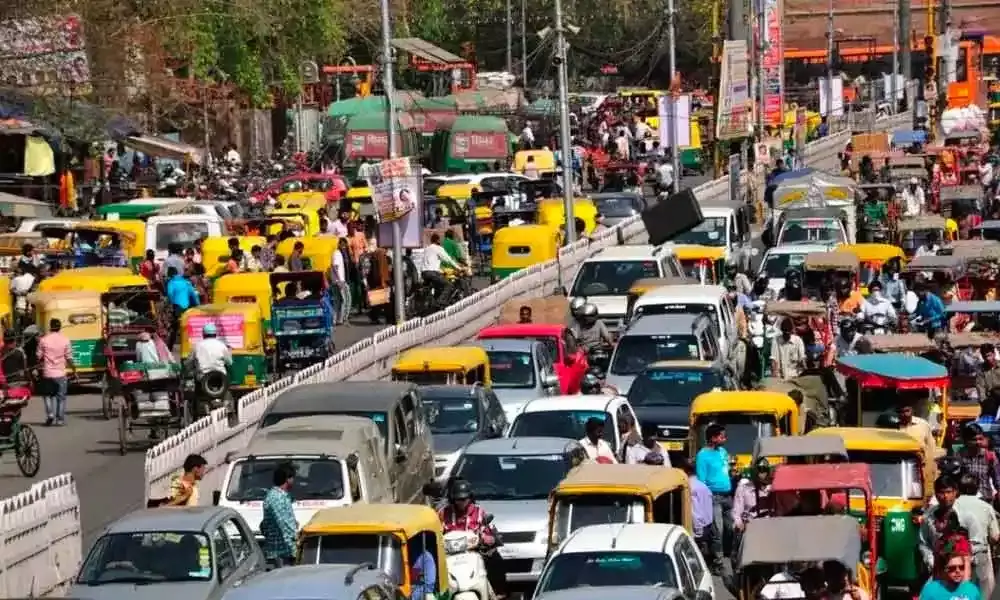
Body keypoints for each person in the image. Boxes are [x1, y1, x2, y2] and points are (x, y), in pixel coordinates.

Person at [437, 479, 505, 599]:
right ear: (453, 499)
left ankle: (498, 591)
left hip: (474, 553)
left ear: (470, 497)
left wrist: (489, 538)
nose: (461, 502)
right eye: (458, 499)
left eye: (464, 499)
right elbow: (435, 530)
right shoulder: (443, 514)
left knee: (496, 560)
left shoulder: (479, 512)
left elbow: (490, 531)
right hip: (448, 556)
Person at [954, 472, 999, 598]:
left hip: (955, 555)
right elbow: (995, 537)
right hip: (981, 555)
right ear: (977, 488)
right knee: (985, 593)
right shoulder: (986, 507)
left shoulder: (952, 505)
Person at [695, 423, 731, 573]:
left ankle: (730, 555)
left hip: (728, 496)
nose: (725, 438)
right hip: (713, 497)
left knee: (732, 526)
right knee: (718, 531)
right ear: (713, 438)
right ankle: (717, 562)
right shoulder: (703, 456)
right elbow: (701, 481)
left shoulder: (723, 451)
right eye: (722, 436)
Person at [920, 475, 969, 570]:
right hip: (937, 568)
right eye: (941, 492)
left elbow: (977, 542)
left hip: (962, 569)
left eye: (948, 492)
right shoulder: (928, 515)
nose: (945, 496)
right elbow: (923, 542)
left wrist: (964, 560)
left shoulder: (966, 514)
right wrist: (932, 561)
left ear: (955, 492)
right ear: (936, 494)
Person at [259, 462, 298, 568]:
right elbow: (283, 522)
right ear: (287, 479)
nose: (294, 481)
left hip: (285, 549)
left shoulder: (282, 496)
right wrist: (297, 537)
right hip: (281, 551)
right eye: (293, 477)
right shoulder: (276, 498)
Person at [37, 318, 74, 426]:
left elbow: (38, 356)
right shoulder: (65, 340)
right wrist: (74, 369)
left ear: (50, 326)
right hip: (60, 374)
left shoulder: (43, 340)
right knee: (61, 397)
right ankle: (60, 419)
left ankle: (50, 415)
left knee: (47, 395)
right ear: (60, 327)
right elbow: (69, 357)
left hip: (47, 373)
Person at [955, 423, 1000, 502]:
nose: (978, 442)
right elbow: (954, 479)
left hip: (985, 499)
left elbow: (998, 480)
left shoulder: (989, 456)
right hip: (965, 500)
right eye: (974, 439)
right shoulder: (959, 456)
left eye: (980, 439)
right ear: (966, 441)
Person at [679, 457, 713, 555]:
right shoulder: (703, 486)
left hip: (697, 529)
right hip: (706, 526)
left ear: (685, 470)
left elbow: (694, 512)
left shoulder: (688, 487)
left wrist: (697, 532)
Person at [732, 458, 773, 533]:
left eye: (764, 469)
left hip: (769, 529)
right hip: (750, 529)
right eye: (759, 469)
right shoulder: (743, 488)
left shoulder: (772, 490)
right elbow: (737, 512)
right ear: (754, 471)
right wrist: (739, 524)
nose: (762, 473)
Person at [421, 233, 461, 308]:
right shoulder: (438, 248)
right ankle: (440, 302)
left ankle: (432, 302)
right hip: (432, 273)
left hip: (424, 273)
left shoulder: (427, 248)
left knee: (437, 285)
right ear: (438, 240)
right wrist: (459, 268)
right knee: (448, 285)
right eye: (439, 240)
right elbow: (448, 259)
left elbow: (430, 261)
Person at [165, 266, 199, 348]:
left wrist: (170, 301)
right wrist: (197, 305)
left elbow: (169, 293)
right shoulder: (186, 282)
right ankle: (191, 345)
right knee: (187, 326)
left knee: (175, 328)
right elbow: (193, 295)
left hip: (177, 307)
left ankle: (169, 348)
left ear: (170, 275)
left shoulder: (171, 282)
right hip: (187, 308)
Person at [898, 396, 938, 464]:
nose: (905, 414)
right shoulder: (895, 427)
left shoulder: (923, 424)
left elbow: (931, 444)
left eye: (907, 411)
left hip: (921, 463)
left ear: (912, 410)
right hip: (901, 463)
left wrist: (932, 462)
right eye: (902, 412)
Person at [330, 237, 351, 325]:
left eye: (345, 246)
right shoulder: (337, 254)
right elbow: (335, 267)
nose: (344, 247)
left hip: (337, 281)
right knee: (345, 299)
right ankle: (341, 318)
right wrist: (339, 280)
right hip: (339, 281)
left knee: (338, 301)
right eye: (342, 245)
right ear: (339, 245)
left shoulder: (338, 254)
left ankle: (336, 319)